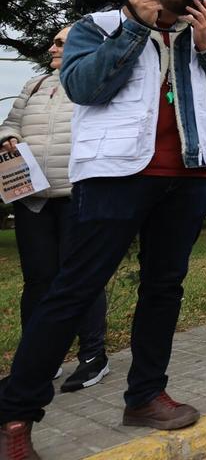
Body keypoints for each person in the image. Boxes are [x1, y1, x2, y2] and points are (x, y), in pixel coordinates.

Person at [0, 0, 206, 460]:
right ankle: (15, 415)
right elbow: (84, 87)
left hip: (187, 176)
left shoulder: (204, 33)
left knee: (164, 288)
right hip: (115, 176)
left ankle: (145, 397)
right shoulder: (98, 26)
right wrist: (136, 27)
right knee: (74, 289)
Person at [0, 25, 110, 392]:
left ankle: (93, 357)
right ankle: (39, 362)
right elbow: (10, 123)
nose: (51, 47)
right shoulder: (33, 85)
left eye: (60, 42)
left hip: (78, 193)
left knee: (81, 277)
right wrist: (8, 138)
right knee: (37, 281)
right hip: (33, 198)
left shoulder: (92, 82)